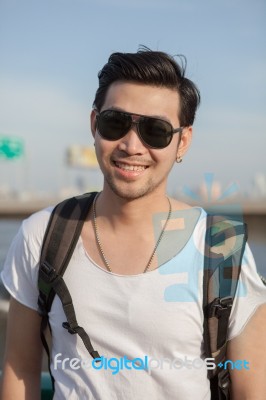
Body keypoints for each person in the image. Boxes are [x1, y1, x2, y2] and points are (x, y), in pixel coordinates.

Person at [1, 48, 266, 400]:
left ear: (182, 141)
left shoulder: (222, 246)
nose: (131, 145)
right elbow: (19, 370)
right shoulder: (43, 234)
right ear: (95, 125)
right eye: (116, 123)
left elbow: (252, 388)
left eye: (155, 131)